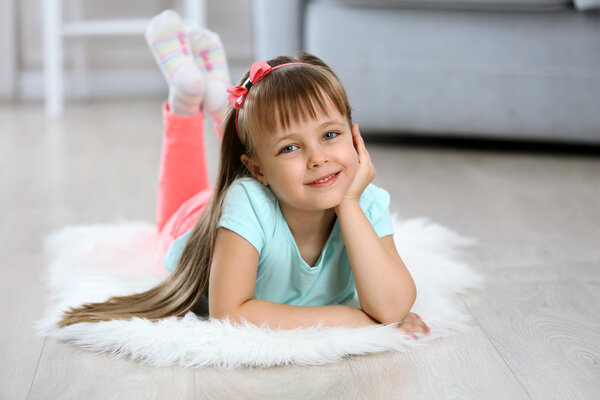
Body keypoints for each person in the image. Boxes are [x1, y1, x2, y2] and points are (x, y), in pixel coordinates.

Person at [57, 10, 430, 340]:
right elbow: (231, 314)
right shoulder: (246, 199)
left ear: (354, 136)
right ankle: (186, 99)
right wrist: (353, 321)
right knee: (178, 213)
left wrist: (349, 203)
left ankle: (223, 104)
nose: (319, 158)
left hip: (274, 181)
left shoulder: (364, 200)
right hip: (198, 219)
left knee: (269, 145)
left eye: (330, 135)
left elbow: (392, 306)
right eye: (292, 147)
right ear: (256, 171)